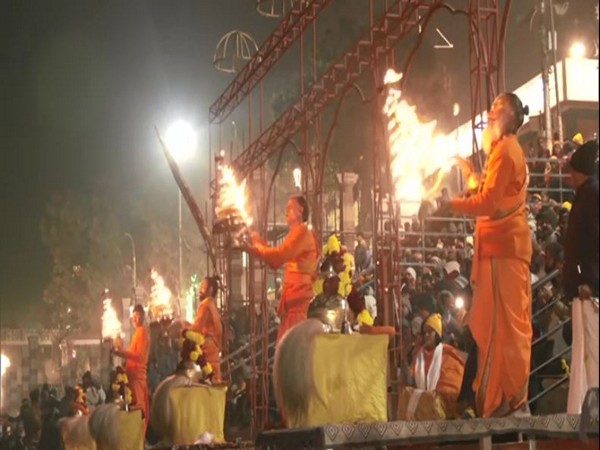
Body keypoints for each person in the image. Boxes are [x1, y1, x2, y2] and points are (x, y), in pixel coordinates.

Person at [447, 92, 533, 417]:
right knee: (495, 326)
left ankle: (511, 399)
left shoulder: (508, 151)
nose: (489, 115)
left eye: (495, 110)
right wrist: (471, 173)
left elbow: (489, 204)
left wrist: (451, 205)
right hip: (500, 250)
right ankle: (499, 400)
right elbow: (489, 194)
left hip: (505, 251)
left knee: (507, 327)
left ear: (509, 118)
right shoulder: (501, 152)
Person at [245, 196, 318, 342]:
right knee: (286, 351)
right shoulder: (295, 233)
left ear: (300, 211)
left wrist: (256, 249)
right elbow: (275, 259)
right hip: (291, 306)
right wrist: (256, 240)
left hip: (297, 305)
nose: (286, 212)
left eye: (289, 208)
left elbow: (278, 257)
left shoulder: (302, 232)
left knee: (292, 352)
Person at [563, 140, 599, 414]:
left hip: (590, 291)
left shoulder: (592, 196)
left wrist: (589, 280)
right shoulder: (586, 195)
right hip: (583, 288)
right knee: (586, 353)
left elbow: (593, 246)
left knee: (594, 354)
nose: (569, 176)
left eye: (573, 171)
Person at [112, 304, 151, 432]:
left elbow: (139, 356)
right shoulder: (137, 334)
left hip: (137, 377)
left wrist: (122, 352)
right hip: (132, 376)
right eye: (133, 316)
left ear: (143, 317)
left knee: (139, 408)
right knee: (133, 406)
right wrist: (120, 350)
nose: (135, 319)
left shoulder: (143, 333)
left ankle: (140, 439)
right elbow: (131, 356)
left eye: (138, 316)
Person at [191, 275, 224, 382]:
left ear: (210, 289)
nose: (200, 289)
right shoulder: (212, 304)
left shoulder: (205, 305)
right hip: (213, 350)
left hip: (207, 352)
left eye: (203, 286)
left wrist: (182, 330)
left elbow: (196, 328)